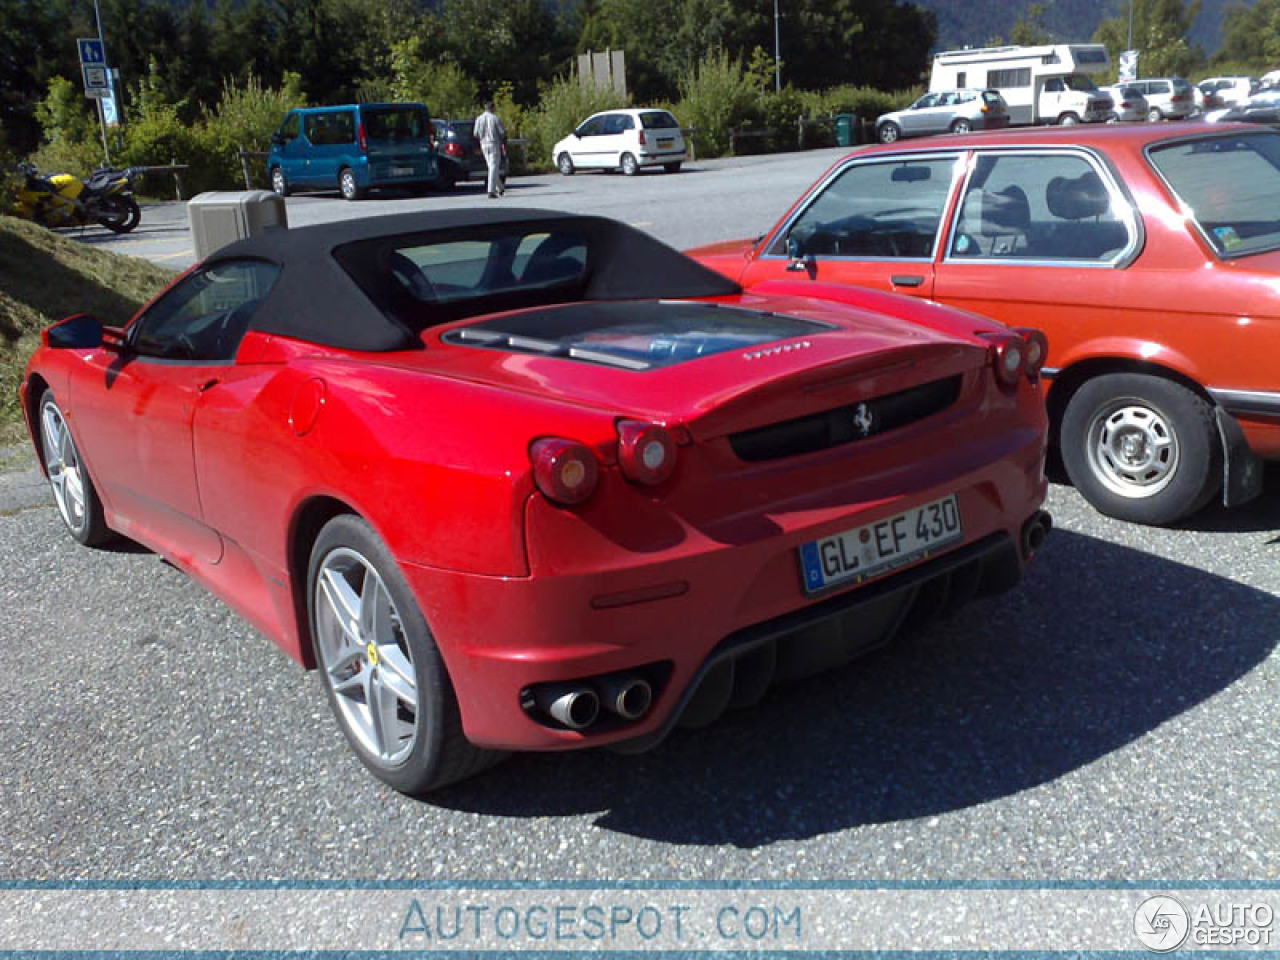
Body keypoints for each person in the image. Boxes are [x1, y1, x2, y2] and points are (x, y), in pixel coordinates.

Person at [473, 100, 506, 199]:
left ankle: (500, 187)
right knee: (493, 166)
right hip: (493, 143)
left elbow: (475, 133)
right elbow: (502, 132)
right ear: (492, 108)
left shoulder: (479, 119)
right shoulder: (494, 118)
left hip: (483, 144)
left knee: (491, 167)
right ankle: (491, 190)